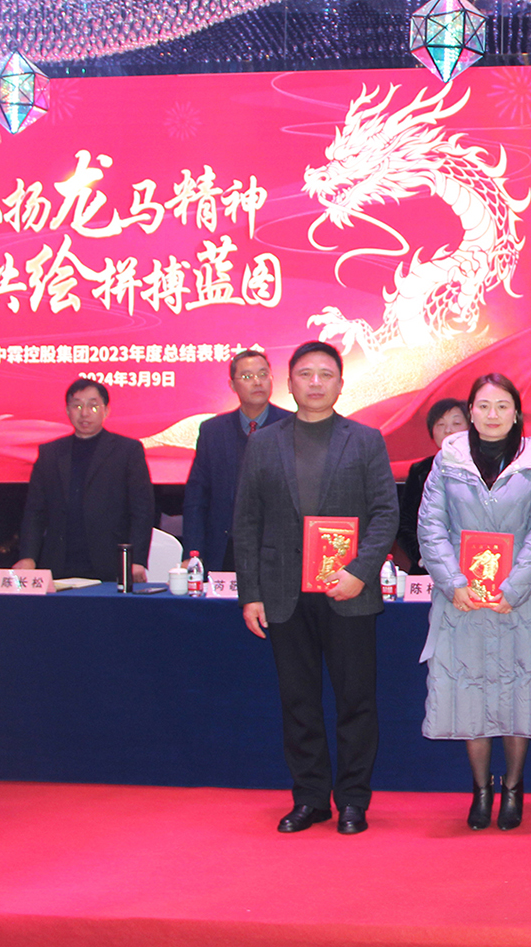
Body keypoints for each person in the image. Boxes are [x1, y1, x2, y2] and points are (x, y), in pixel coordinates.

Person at [233, 340, 398, 836]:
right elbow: (247, 521)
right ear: (290, 383)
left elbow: (386, 514)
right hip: (284, 593)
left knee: (355, 701)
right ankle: (309, 798)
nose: (316, 383)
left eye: (326, 374)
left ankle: (352, 800)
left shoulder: (365, 440)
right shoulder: (264, 443)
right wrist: (251, 593)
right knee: (298, 701)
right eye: (305, 374)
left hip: (348, 591)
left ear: (341, 384)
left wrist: (360, 571)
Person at [418, 373, 531, 831]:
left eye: (502, 406)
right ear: (471, 412)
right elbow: (430, 526)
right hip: (462, 601)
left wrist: (513, 588)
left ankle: (513, 788)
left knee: (522, 693)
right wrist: (453, 582)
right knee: (469, 694)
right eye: (483, 406)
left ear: (516, 413)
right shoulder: (448, 460)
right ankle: (481, 789)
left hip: (519, 601)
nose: (493, 414)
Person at [16, 378, 153, 583]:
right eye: (77, 406)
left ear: (106, 411)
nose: (85, 413)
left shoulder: (127, 451)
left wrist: (136, 559)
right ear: (67, 410)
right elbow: (35, 511)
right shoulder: (50, 453)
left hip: (110, 563)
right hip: (59, 562)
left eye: (93, 406)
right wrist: (28, 556)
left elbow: (142, 510)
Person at [184, 350, 291, 570]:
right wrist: (193, 552)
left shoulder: (292, 426)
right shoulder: (213, 431)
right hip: (224, 548)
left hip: (279, 550)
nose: (257, 382)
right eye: (247, 376)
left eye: (263, 374)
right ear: (232, 385)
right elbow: (197, 496)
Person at [397, 398, 471, 574]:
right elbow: (405, 523)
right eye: (440, 425)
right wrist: (423, 555)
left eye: (456, 423)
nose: (448, 430)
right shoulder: (420, 470)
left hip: (474, 566)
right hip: (427, 568)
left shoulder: (486, 469)